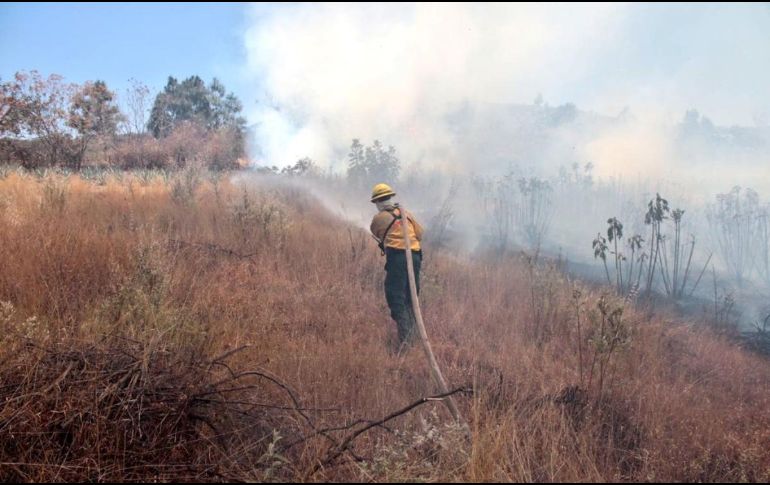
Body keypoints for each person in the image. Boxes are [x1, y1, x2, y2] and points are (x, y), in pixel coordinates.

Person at [369, 183, 424, 349]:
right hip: (415, 256)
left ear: (377, 202)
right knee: (411, 297)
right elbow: (420, 234)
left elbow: (375, 231)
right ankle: (413, 338)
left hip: (398, 257)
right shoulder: (406, 213)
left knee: (395, 297)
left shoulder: (379, 218)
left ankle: (406, 343)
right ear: (390, 197)